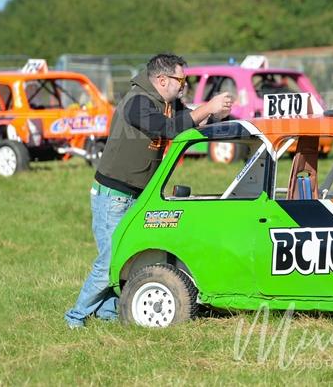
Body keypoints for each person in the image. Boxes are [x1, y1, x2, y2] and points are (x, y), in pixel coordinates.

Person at [64, 54, 233, 328]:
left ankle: (108, 313)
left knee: (125, 256)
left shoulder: (167, 102)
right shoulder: (137, 102)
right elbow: (167, 129)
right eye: (181, 80)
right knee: (110, 261)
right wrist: (205, 108)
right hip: (113, 195)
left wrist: (214, 113)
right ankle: (75, 316)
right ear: (162, 80)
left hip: (136, 194)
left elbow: (186, 125)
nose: (184, 85)